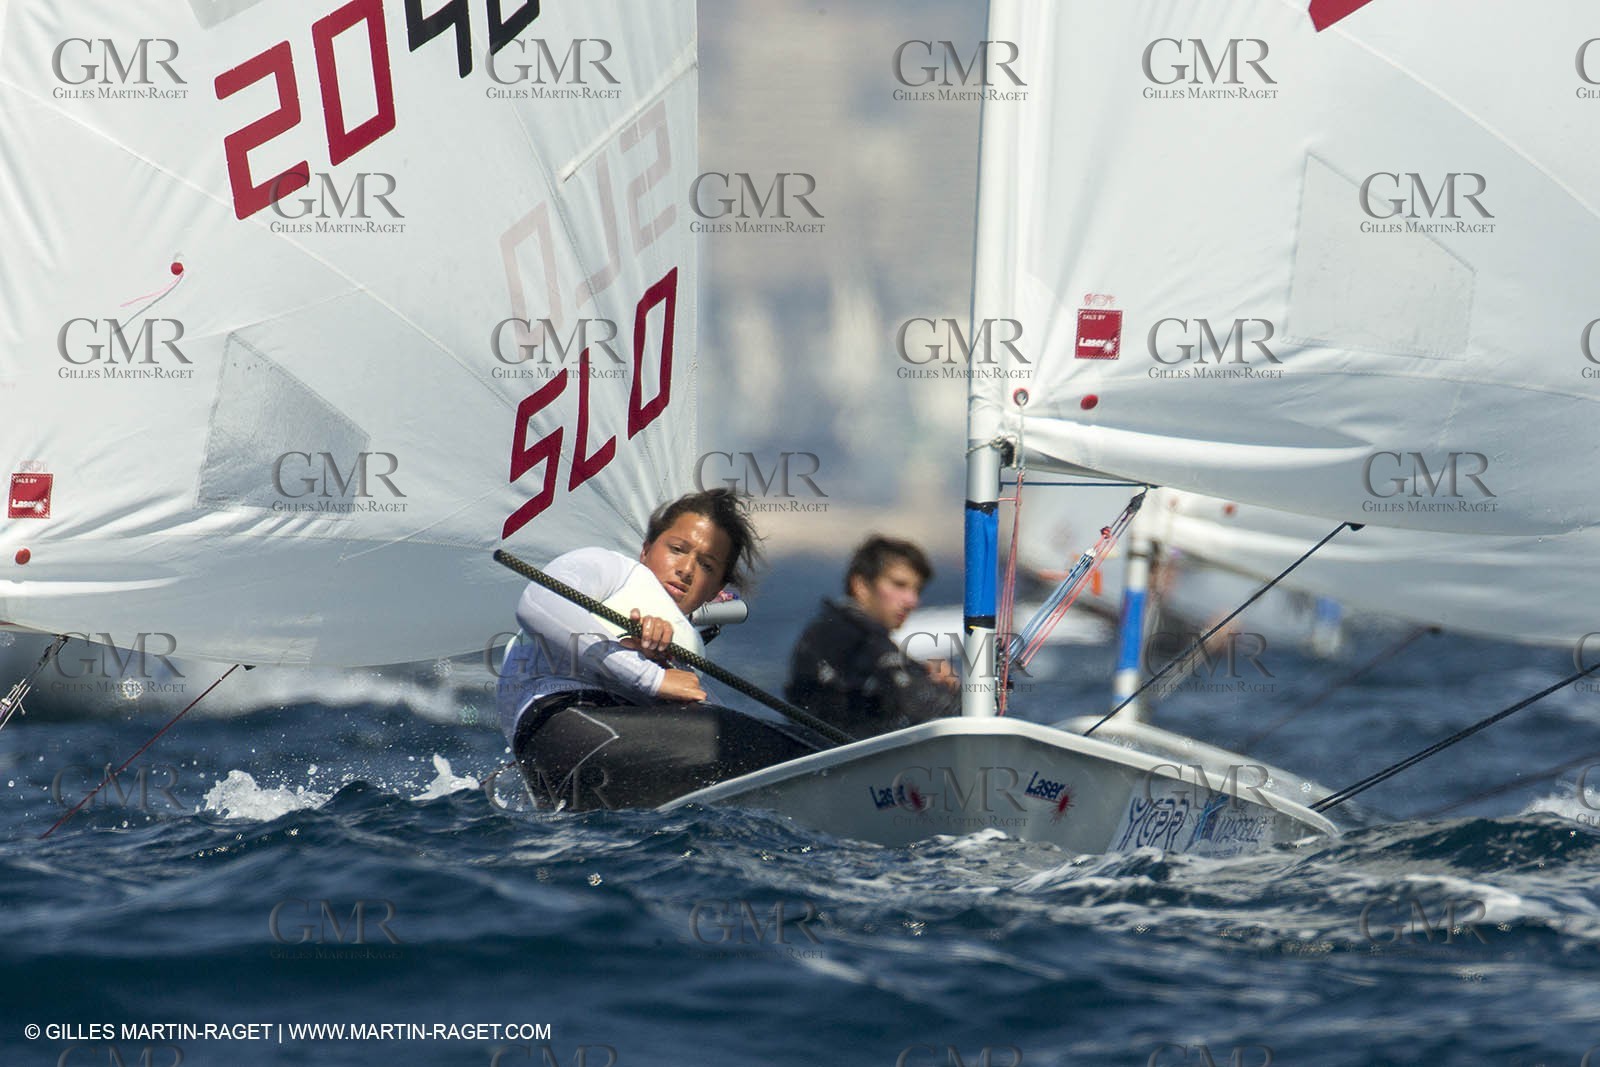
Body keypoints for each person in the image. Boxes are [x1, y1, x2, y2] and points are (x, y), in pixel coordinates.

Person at [496, 488, 761, 751]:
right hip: (557, 718)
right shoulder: (610, 568)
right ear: (646, 549)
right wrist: (651, 677)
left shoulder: (682, 641)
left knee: (746, 742)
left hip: (623, 735)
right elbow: (537, 604)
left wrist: (657, 663)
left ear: (716, 589)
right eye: (677, 549)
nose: (687, 569)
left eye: (707, 566)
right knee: (735, 743)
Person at [784, 535, 959, 739]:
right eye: (899, 585)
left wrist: (919, 671)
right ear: (861, 586)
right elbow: (917, 705)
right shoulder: (851, 636)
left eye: (917, 590)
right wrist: (950, 689)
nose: (912, 600)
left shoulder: (833, 629)